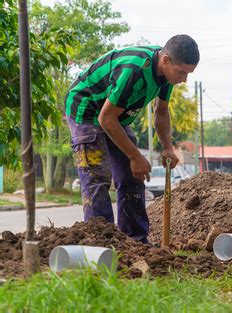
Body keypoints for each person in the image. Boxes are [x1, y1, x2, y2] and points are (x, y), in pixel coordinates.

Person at [65, 35, 199, 243]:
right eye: (182, 72)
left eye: (188, 73)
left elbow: (161, 111)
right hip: (87, 110)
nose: (184, 79)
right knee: (97, 179)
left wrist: (167, 147)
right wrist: (135, 156)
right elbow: (106, 119)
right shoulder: (135, 71)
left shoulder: (166, 73)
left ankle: (135, 241)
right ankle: (101, 245)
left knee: (135, 175)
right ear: (165, 60)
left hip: (115, 114)